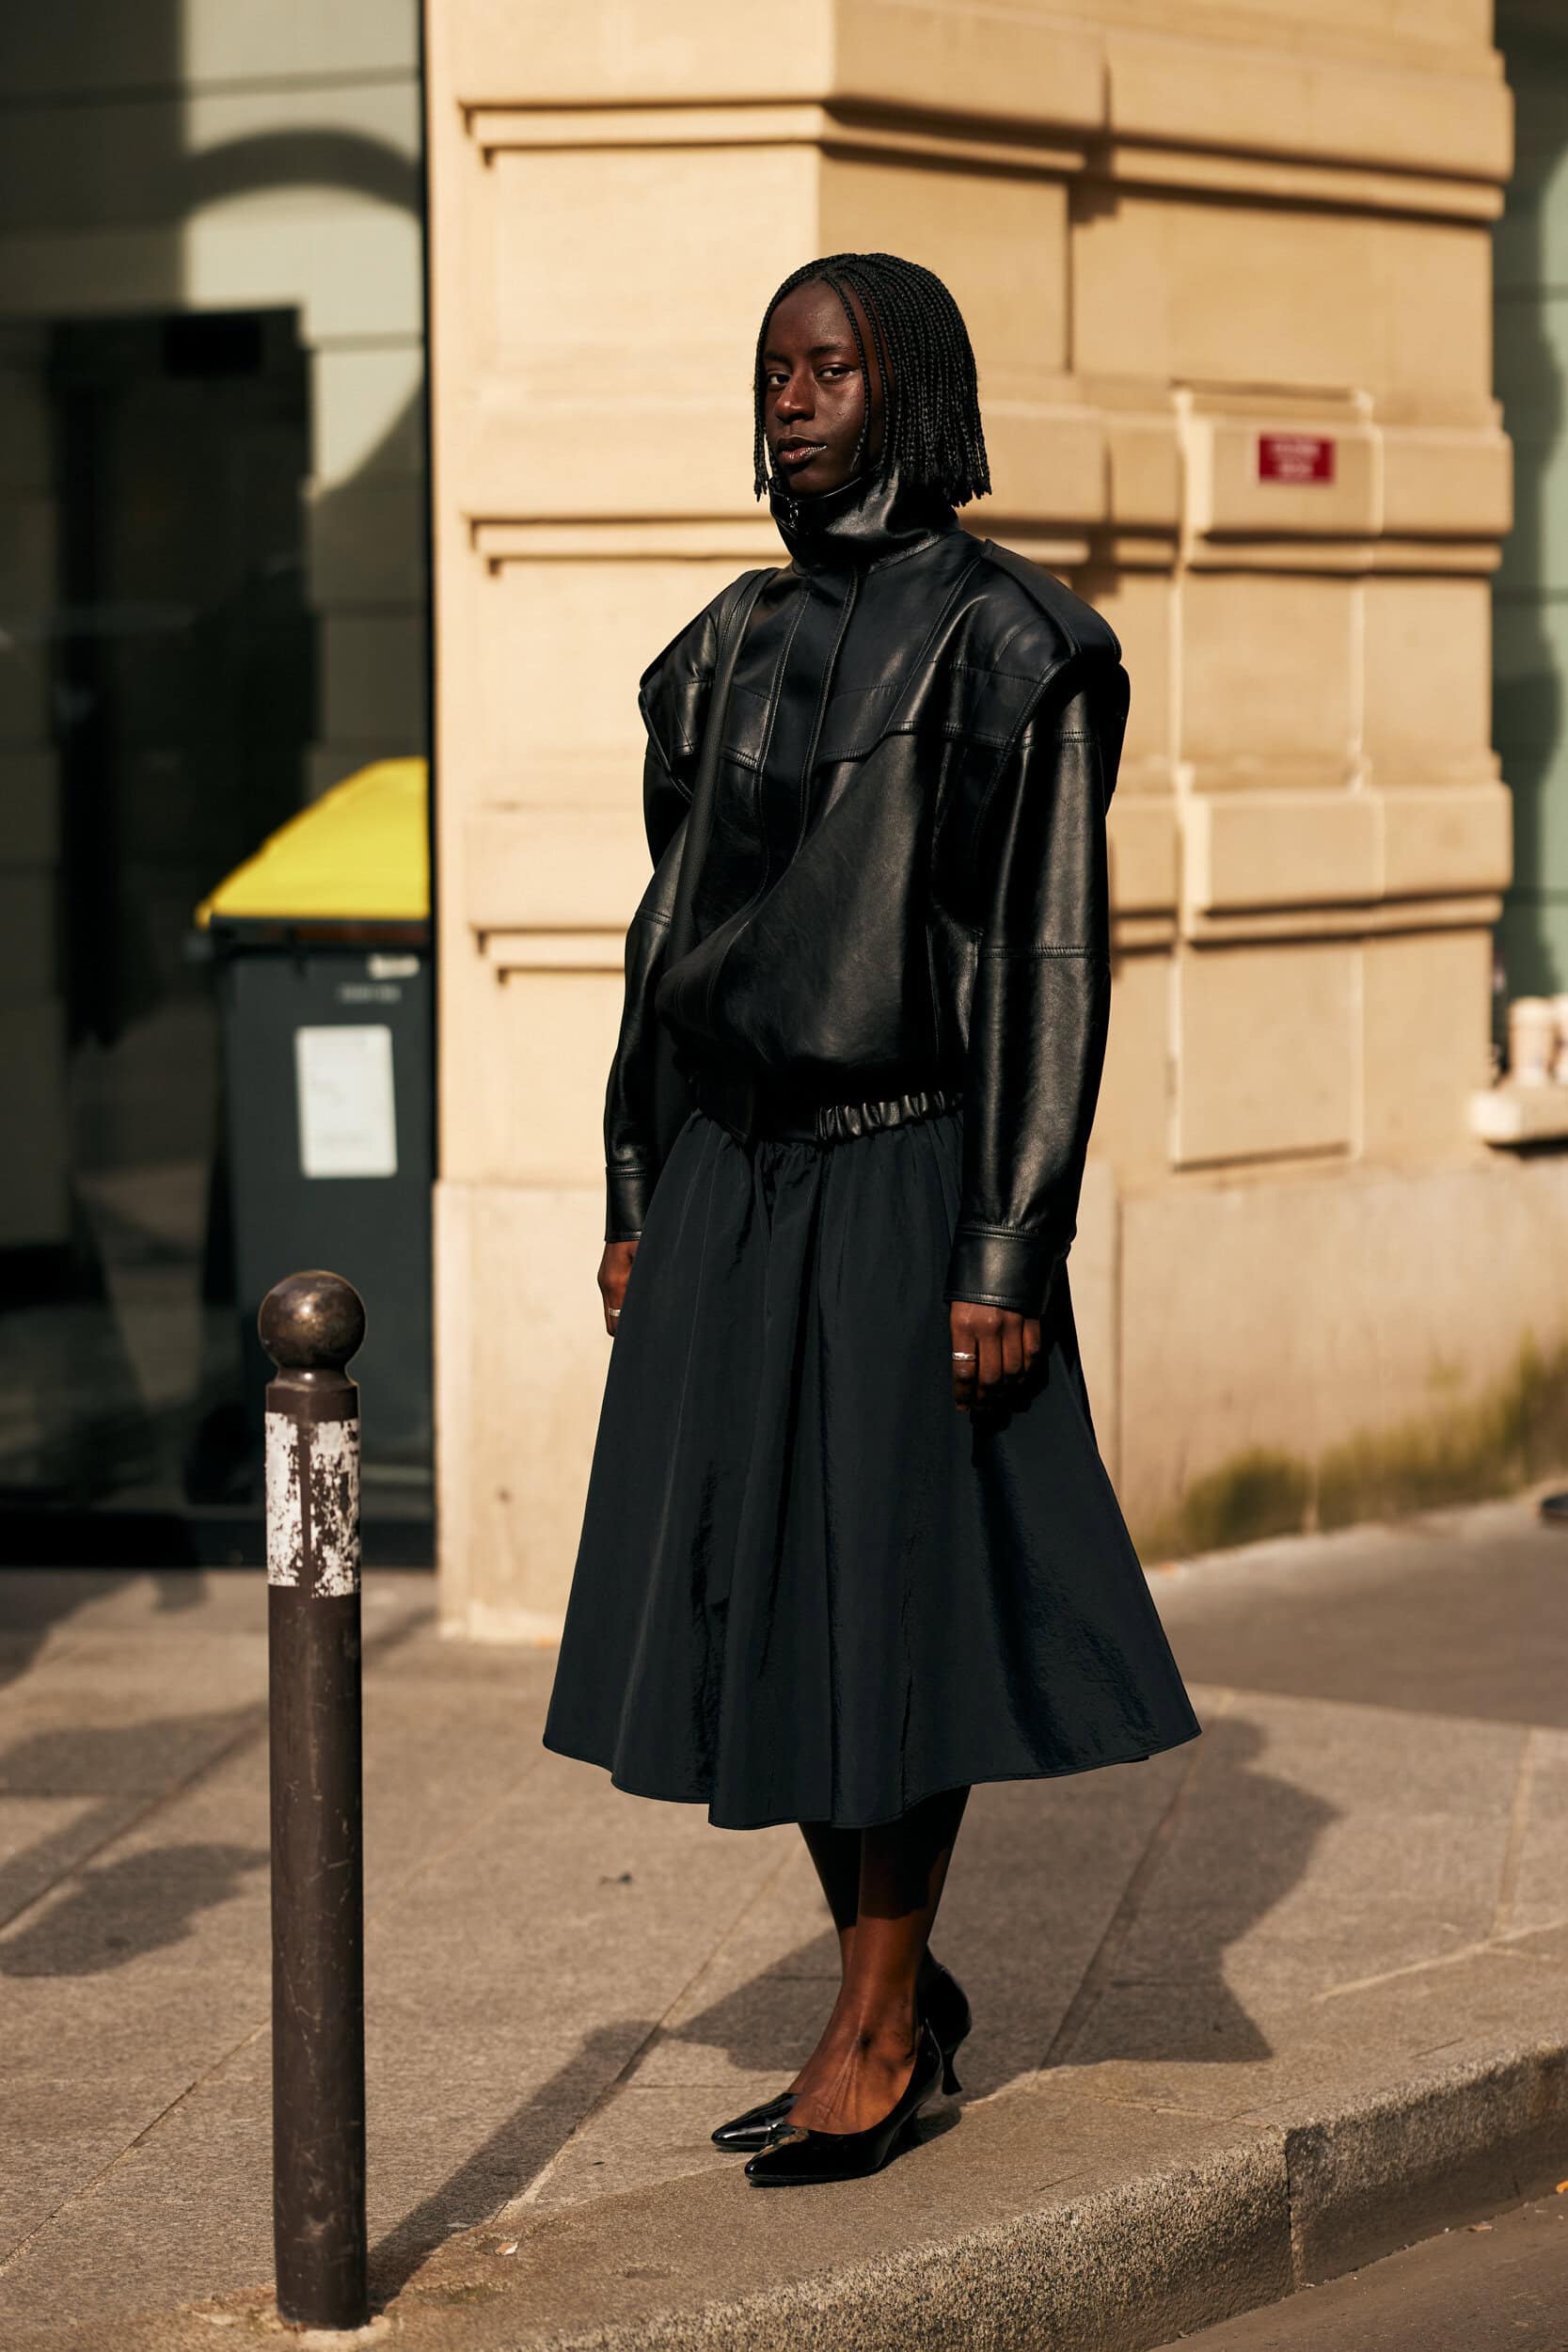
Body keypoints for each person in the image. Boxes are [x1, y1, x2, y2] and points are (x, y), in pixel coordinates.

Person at [542, 251, 1200, 2187]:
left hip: (913, 1168)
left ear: (909, 388)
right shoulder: (725, 643)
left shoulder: (1017, 650)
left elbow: (1048, 964)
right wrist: (635, 1176)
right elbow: (659, 940)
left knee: (888, 1599)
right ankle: (882, 1986)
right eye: (774, 369)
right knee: (765, 1584)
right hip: (732, 1174)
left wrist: (1009, 1240)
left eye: (829, 367)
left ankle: (886, 2014)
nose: (793, 397)